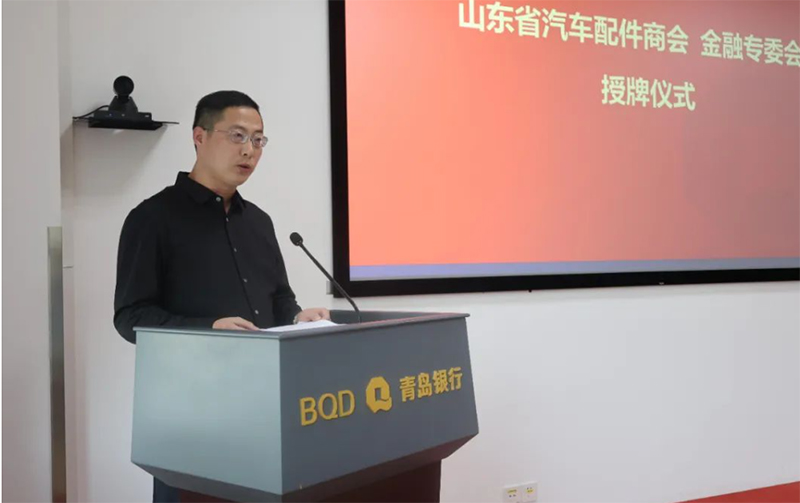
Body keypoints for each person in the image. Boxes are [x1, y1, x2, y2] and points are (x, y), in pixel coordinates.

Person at [113, 90, 329, 502]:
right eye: (237, 136)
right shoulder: (152, 219)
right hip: (192, 418)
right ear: (199, 137)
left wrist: (296, 317)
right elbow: (130, 316)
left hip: (264, 410)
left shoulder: (259, 222)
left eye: (258, 140)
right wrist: (208, 330)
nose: (249, 150)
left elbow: (280, 297)